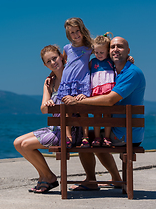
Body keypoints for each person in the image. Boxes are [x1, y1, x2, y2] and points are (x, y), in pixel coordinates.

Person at [62, 36, 146, 190]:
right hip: (122, 130)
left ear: (128, 51)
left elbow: (109, 100)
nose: (115, 50)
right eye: (112, 47)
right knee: (94, 137)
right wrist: (52, 75)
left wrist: (78, 101)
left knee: (86, 138)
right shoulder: (116, 71)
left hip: (126, 134)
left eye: (120, 47)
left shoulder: (131, 73)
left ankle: (92, 180)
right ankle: (114, 178)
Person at [14, 45, 64, 194]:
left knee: (27, 145)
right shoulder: (49, 82)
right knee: (17, 143)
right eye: (48, 61)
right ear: (45, 65)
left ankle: (48, 177)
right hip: (56, 129)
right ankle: (44, 175)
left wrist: (52, 106)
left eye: (54, 58)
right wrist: (49, 104)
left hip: (70, 130)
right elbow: (43, 109)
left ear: (61, 56)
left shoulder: (71, 76)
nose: (53, 63)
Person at [57, 17, 93, 148]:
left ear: (82, 30)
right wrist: (51, 75)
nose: (75, 34)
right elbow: (63, 63)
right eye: (72, 32)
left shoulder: (89, 47)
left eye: (77, 31)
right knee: (66, 111)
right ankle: (68, 137)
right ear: (68, 34)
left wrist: (128, 58)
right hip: (67, 83)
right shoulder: (67, 48)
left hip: (81, 83)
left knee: (83, 110)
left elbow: (104, 52)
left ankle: (85, 137)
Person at [90, 33, 115, 147]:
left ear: (107, 51)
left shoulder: (111, 61)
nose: (99, 55)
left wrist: (129, 58)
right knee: (96, 116)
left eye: (102, 52)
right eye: (96, 52)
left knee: (107, 116)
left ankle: (106, 137)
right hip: (96, 92)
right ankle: (97, 137)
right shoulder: (92, 62)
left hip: (108, 92)